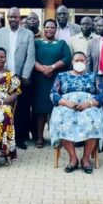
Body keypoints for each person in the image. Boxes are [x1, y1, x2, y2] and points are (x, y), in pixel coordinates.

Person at [49, 52, 103, 174]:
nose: (79, 63)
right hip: (67, 106)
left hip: (88, 107)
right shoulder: (62, 76)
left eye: (82, 60)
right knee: (62, 121)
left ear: (86, 62)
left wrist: (89, 103)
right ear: (72, 62)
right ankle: (73, 158)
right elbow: (53, 94)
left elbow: (102, 95)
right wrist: (67, 103)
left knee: (93, 122)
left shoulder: (94, 76)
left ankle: (85, 159)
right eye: (77, 60)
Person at [0, 7, 35, 148]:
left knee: (22, 109)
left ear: (20, 18)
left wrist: (25, 75)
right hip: (2, 76)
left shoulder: (28, 34)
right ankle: (2, 136)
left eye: (15, 17)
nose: (13, 19)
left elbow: (30, 56)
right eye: (10, 17)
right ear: (7, 18)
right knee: (3, 107)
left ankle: (20, 138)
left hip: (20, 77)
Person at [33, 19, 72, 148]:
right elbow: (31, 58)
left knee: (57, 109)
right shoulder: (37, 43)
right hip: (41, 80)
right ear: (43, 29)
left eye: (52, 27)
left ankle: (57, 137)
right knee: (41, 109)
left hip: (56, 80)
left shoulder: (61, 43)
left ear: (56, 29)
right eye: (47, 27)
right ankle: (39, 137)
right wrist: (44, 69)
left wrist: (52, 67)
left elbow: (67, 58)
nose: (49, 29)